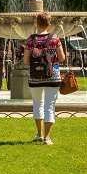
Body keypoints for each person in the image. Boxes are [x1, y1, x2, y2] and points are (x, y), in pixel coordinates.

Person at [23, 12, 65, 145]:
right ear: (49, 24)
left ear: (37, 24)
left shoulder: (31, 39)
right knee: (49, 106)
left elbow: (25, 60)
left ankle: (39, 134)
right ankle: (47, 138)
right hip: (53, 77)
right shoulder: (54, 38)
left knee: (37, 104)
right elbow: (62, 58)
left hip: (34, 78)